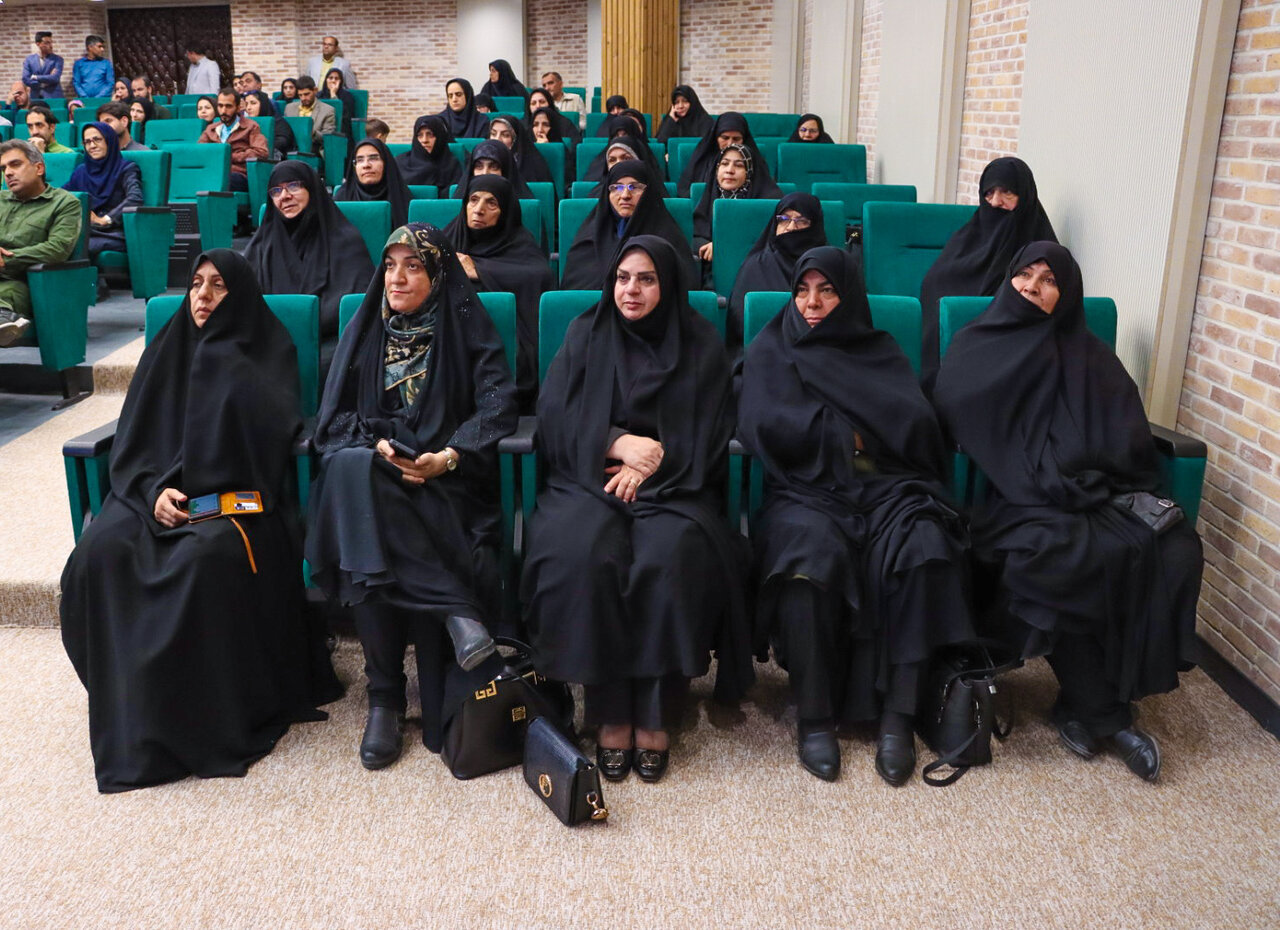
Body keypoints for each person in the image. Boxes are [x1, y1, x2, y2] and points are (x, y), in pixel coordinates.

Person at [59, 249, 343, 793]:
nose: (204, 296)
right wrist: (152, 491)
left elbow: (266, 451)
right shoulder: (166, 350)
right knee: (99, 554)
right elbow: (134, 440)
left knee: (200, 560)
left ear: (239, 294)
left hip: (233, 504)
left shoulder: (264, 351)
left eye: (218, 285)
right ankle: (134, 709)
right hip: (150, 495)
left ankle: (199, 719)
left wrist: (196, 489)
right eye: (195, 284)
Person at [934, 242, 1202, 782]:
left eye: (1049, 280)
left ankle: (1084, 702)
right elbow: (961, 418)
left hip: (1100, 492)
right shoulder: (976, 344)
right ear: (1008, 279)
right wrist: (1044, 471)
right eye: (1025, 275)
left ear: (1067, 293)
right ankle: (1109, 718)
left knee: (1175, 549)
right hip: (1019, 497)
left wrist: (1083, 468)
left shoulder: (1089, 354)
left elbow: (1127, 433)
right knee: (1056, 556)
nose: (1033, 287)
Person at [737, 246, 975, 784]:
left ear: (849, 297)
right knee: (805, 558)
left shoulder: (879, 350)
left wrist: (854, 434)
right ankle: (815, 717)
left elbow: (915, 424)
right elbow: (762, 421)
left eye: (827, 291)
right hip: (805, 488)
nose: (812, 303)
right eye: (803, 291)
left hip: (886, 484)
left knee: (924, 546)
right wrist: (849, 434)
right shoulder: (772, 348)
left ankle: (899, 717)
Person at [522, 235, 752, 784]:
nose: (632, 290)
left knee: (666, 559)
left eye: (646, 280)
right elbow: (554, 415)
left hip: (676, 483)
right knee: (584, 555)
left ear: (667, 284)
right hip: (590, 478)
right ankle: (608, 710)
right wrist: (617, 442)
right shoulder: (585, 333)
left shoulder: (699, 342)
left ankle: (655, 712)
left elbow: (712, 428)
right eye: (623, 278)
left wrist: (653, 464)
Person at [306, 223, 517, 769]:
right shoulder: (366, 332)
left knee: (363, 519)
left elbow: (499, 406)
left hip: (445, 483)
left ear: (438, 274)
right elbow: (333, 420)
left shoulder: (467, 329)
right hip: (380, 476)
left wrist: (448, 456)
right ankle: (454, 612)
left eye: (413, 266)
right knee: (354, 467)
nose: (397, 278)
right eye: (390, 265)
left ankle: (386, 699)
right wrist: (376, 446)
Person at [917, 156, 1057, 396]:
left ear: (1025, 195)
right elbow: (933, 288)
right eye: (989, 193)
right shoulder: (965, 240)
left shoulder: (1041, 251)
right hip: (946, 358)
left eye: (1007, 193)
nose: (995, 202)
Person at [443, 173, 552, 409]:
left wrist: (480, 270)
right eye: (473, 200)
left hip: (507, 342)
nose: (479, 210)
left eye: (491, 203)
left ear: (505, 211)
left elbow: (539, 275)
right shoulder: (447, 240)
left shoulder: (519, 244)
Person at [244, 160, 374, 347]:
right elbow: (245, 303)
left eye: (293, 186)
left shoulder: (345, 240)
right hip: (270, 342)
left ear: (312, 189)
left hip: (333, 342)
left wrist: (300, 324)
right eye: (276, 191)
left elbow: (354, 306)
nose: (284, 196)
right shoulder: (261, 246)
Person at [560, 160, 694, 290]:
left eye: (634, 187)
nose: (625, 195)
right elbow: (575, 292)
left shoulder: (668, 238)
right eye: (617, 187)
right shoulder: (589, 239)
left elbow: (681, 287)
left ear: (649, 193)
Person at [0, 140, 82, 347]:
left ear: (39, 168)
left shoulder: (65, 203)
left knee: (9, 292)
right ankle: (5, 319)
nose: (8, 173)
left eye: (15, 164)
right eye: (3, 168)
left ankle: (4, 318)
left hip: (23, 280)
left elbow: (58, 249)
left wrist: (6, 259)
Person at [727, 193, 827, 347]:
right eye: (784, 219)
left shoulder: (829, 266)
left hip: (822, 349)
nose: (791, 227)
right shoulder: (756, 266)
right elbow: (740, 321)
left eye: (801, 221)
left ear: (814, 227)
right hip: (766, 349)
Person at [692, 142, 783, 263]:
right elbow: (695, 236)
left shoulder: (770, 201)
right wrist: (708, 247)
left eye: (739, 165)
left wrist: (722, 246)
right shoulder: (710, 196)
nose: (729, 170)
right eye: (724, 164)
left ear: (750, 171)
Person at [63, 122, 142, 260]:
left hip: (114, 232)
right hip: (87, 230)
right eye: (87, 142)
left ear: (109, 141)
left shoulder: (126, 168)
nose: (92, 146)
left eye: (97, 140)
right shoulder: (81, 171)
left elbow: (135, 198)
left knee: (74, 247)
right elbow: (62, 194)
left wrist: (106, 219)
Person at [677, 112, 778, 197]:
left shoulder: (753, 163)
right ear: (716, 137)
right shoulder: (702, 160)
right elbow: (685, 192)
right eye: (725, 138)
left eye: (736, 139)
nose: (730, 143)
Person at [198, 88, 269, 192]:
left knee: (225, 179)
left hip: (237, 174)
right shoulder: (211, 129)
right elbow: (199, 152)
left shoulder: (251, 127)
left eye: (228, 106)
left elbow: (261, 152)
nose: (223, 111)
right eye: (220, 106)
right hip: (213, 171)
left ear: (238, 108)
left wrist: (230, 157)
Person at [336, 137, 411, 229]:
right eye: (360, 160)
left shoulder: (401, 197)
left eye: (373, 158)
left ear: (385, 162)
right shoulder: (343, 197)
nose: (366, 165)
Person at [397, 115, 462, 196]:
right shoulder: (401, 163)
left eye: (430, 134)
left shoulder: (452, 164)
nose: (424, 140)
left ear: (440, 136)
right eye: (420, 135)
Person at [581, 129, 664, 186]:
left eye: (626, 158)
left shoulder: (656, 194)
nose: (618, 164)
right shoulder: (597, 196)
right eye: (612, 160)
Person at [487, 115, 553, 185]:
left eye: (505, 135)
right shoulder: (484, 160)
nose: (497, 139)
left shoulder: (532, 165)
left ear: (516, 140)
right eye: (493, 134)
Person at [456, 140, 534, 199]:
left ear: (505, 170)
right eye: (479, 166)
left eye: (493, 167)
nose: (485, 173)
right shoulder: (462, 200)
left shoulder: (523, 205)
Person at [284, 76, 336, 148]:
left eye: (306, 94)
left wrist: (310, 131)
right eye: (300, 95)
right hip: (292, 147)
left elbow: (327, 138)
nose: (303, 98)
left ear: (315, 90)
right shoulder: (289, 108)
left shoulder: (327, 110)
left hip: (314, 148)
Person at [244, 91, 296, 157]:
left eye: (253, 103)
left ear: (263, 105)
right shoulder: (245, 123)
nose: (248, 108)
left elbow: (283, 142)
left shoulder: (277, 122)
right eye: (246, 104)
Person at [23, 32, 64, 100]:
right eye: (47, 43)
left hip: (53, 96)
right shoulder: (29, 60)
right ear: (38, 44)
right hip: (35, 96)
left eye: (51, 42)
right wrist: (42, 84)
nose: (51, 46)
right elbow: (26, 79)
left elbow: (55, 78)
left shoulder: (58, 59)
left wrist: (35, 77)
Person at [72, 35, 114, 100]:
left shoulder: (106, 63)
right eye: (99, 46)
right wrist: (84, 97)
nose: (102, 49)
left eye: (103, 47)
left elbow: (110, 83)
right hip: (84, 100)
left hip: (103, 100)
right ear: (90, 47)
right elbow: (76, 83)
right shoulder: (79, 64)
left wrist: (98, 98)